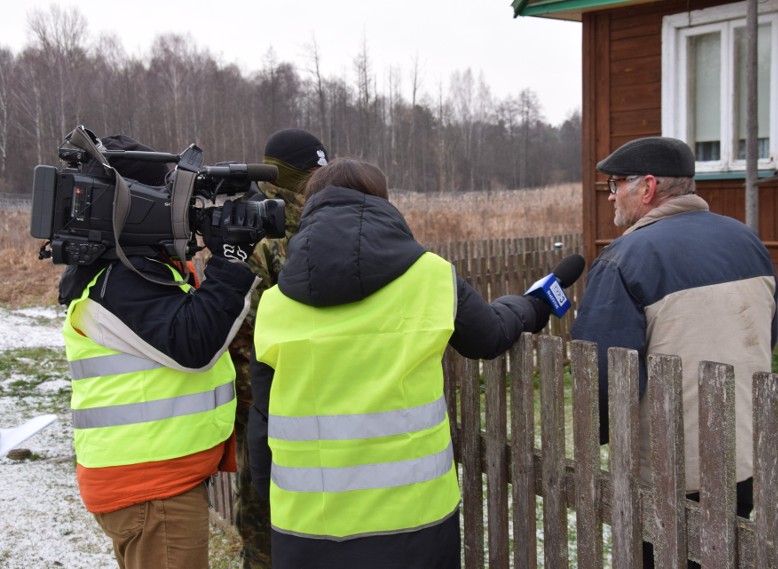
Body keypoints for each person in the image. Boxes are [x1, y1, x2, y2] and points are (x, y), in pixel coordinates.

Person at [247, 158, 556, 568]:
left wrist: (274, 507)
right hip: (414, 525)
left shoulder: (274, 304)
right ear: (382, 205)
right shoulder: (430, 278)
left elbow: (263, 423)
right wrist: (532, 305)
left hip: (306, 530)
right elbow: (490, 336)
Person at [570, 136, 778, 567]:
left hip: (670, 470)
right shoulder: (747, 241)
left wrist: (597, 434)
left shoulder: (626, 257)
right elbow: (765, 337)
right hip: (744, 457)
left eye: (615, 185)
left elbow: (602, 371)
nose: (610, 196)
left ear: (646, 188)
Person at [59, 134, 262, 569]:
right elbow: (194, 342)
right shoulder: (124, 282)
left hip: (149, 479)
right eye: (172, 198)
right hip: (151, 489)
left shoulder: (123, 272)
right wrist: (230, 260)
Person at [228, 127, 328, 568]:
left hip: (262, 403)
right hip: (307, 399)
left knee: (265, 516)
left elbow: (234, 328)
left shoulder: (251, 229)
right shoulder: (312, 224)